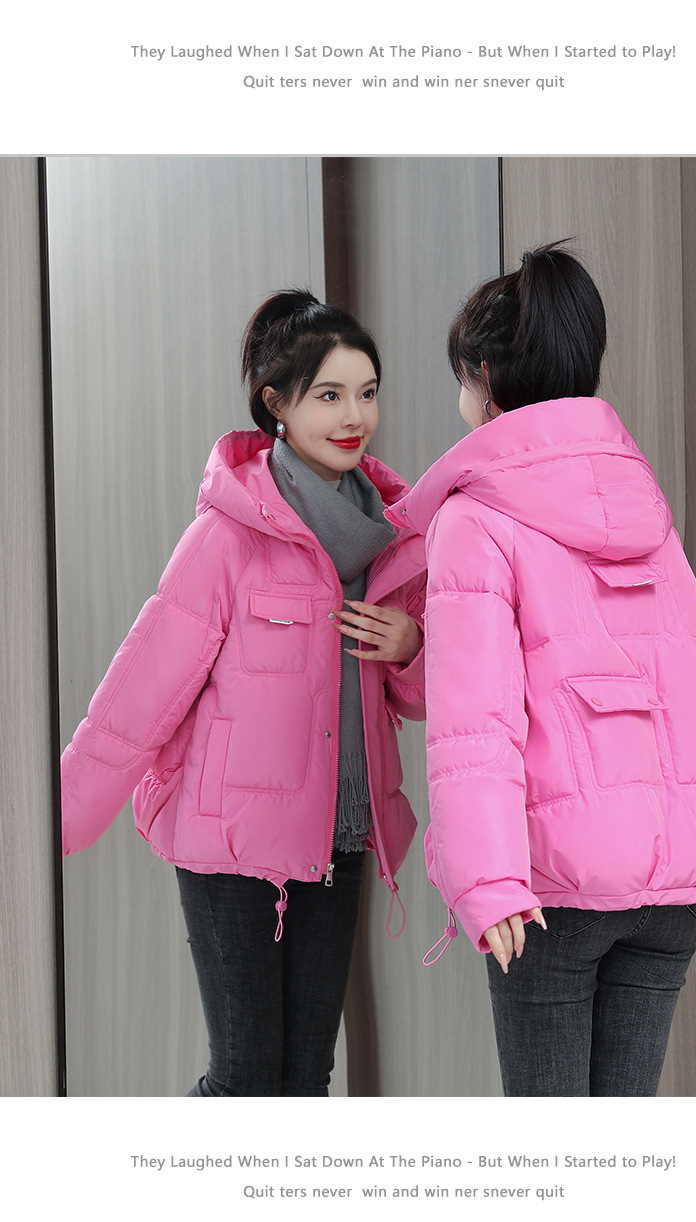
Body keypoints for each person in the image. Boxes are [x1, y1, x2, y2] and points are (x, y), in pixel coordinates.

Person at [388, 242, 696, 1097]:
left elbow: (476, 724)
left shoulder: (476, 520)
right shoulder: (642, 504)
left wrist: (489, 884)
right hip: (669, 888)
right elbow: (691, 686)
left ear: (486, 378)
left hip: (550, 894)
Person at [60, 290, 426, 1096]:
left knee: (306, 1080)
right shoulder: (227, 537)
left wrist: (412, 646)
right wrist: (47, 824)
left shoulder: (392, 542)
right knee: (245, 1080)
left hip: (339, 837)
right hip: (233, 847)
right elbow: (139, 694)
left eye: (367, 392)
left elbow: (421, 698)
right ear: (277, 405)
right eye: (329, 395)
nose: (354, 416)